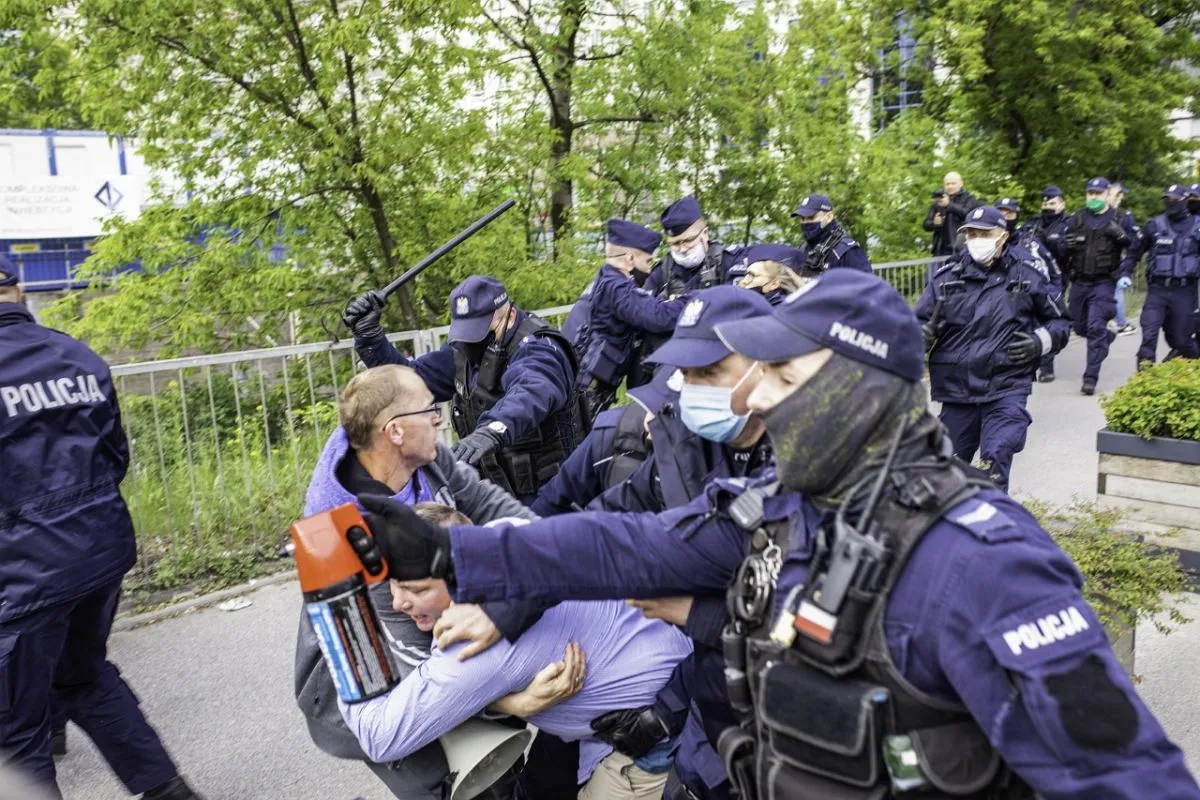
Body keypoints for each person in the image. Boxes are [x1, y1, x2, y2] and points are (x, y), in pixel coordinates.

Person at [358, 269, 1200, 799]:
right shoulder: (782, 508)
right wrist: (455, 554)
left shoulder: (984, 564)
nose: (753, 397)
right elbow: (618, 544)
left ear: (862, 389)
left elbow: (1124, 776)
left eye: (783, 376)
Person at [294, 363, 587, 799]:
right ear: (394, 431)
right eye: (430, 409)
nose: (439, 417)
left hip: (429, 637)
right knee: (452, 785)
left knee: (502, 770)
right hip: (372, 671)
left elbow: (483, 501)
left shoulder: (414, 452)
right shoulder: (340, 535)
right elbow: (410, 660)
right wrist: (509, 702)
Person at [335, 497, 693, 800]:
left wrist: (338, 630)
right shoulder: (505, 534)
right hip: (665, 667)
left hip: (650, 736)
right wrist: (507, 703)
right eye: (393, 586)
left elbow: (380, 736)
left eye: (415, 590)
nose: (397, 603)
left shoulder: (475, 644)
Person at [0, 258, 200, 800]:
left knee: (14, 735)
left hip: (22, 573)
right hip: (98, 552)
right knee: (84, 678)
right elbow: (115, 456)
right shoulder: (76, 354)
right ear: (18, 290)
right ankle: (170, 792)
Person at [342, 275, 585, 502]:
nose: (473, 342)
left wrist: (491, 431)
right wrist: (371, 339)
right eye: (468, 332)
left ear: (509, 316)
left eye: (480, 331)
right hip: (495, 494)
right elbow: (409, 381)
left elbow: (531, 393)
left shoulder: (540, 349)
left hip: (553, 495)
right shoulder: (464, 353)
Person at [917, 206, 1069, 491]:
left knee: (995, 459)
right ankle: (954, 530)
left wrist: (1039, 342)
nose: (977, 239)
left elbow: (1060, 322)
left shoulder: (1028, 275)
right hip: (957, 392)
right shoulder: (946, 279)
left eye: (984, 233)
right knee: (946, 471)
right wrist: (918, 339)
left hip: (1006, 388)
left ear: (1003, 236)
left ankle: (992, 529)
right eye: (971, 234)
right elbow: (915, 325)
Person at [575, 218, 688, 418]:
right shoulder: (617, 288)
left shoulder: (607, 278)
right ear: (629, 259)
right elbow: (657, 317)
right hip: (588, 392)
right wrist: (694, 300)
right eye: (648, 261)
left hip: (589, 386)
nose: (650, 269)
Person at [1063, 176, 1133, 394]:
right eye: (1090, 193)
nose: (1093, 197)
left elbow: (1135, 246)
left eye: (1097, 193)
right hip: (1079, 282)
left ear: (1106, 194)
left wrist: (1122, 238)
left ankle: (1090, 378)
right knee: (1079, 326)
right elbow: (1062, 248)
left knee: (1094, 327)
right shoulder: (1077, 218)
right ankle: (1107, 337)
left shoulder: (1120, 218)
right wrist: (1066, 245)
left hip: (1104, 282)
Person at [1124, 184, 1200, 367]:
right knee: (1149, 336)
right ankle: (1143, 382)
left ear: (1185, 200)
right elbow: (1135, 252)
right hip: (1157, 290)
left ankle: (1192, 365)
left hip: (1185, 291)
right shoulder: (1154, 225)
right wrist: (1125, 272)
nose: (1170, 202)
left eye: (1175, 199)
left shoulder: (1197, 227)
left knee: (1182, 340)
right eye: (1167, 199)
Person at [1018, 185, 1072, 383]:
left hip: (1057, 278)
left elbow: (1067, 253)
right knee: (1034, 319)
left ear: (1062, 204)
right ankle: (1037, 360)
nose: (1047, 206)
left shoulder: (1069, 224)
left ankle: (1046, 366)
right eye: (1045, 203)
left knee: (1048, 318)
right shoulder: (1034, 222)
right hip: (1034, 278)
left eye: (1052, 203)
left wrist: (1050, 241)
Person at [789, 194, 872, 274]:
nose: (806, 222)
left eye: (811, 217)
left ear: (829, 217)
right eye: (802, 218)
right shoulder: (803, 248)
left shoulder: (847, 251)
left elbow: (868, 286)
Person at [922, 171, 981, 256]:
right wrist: (934, 223)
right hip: (940, 250)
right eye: (947, 184)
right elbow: (926, 225)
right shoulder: (938, 202)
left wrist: (949, 205)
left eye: (953, 183)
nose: (950, 186)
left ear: (961, 183)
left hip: (963, 248)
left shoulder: (969, 199)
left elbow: (968, 215)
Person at [1109, 182, 1140, 336]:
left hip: (1095, 261)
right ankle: (1121, 324)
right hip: (1115, 261)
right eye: (1120, 194)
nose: (1122, 198)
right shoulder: (1123, 215)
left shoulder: (1091, 214)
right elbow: (1134, 241)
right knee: (1116, 291)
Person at [735, 243, 805, 305]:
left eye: (752, 275)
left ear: (774, 284)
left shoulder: (775, 313)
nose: (743, 281)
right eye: (746, 275)